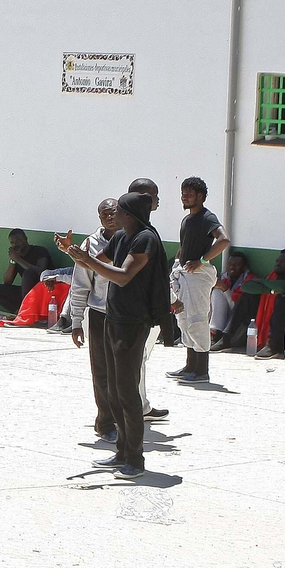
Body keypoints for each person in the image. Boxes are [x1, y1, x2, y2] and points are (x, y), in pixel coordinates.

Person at [58, 191, 171, 480]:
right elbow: (92, 264)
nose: (113, 215)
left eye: (118, 210)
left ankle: (135, 459)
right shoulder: (120, 238)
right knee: (114, 388)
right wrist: (72, 253)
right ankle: (122, 452)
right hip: (113, 318)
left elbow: (122, 275)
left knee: (127, 391)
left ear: (130, 215)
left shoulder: (146, 238)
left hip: (134, 322)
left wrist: (87, 259)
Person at [165, 176, 231, 385]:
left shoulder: (207, 217)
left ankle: (202, 370)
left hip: (198, 277)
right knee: (183, 319)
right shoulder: (187, 219)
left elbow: (224, 239)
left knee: (197, 319)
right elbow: (184, 246)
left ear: (200, 196)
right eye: (183, 193)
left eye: (189, 194)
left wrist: (202, 261)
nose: (184, 197)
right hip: (183, 273)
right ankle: (190, 366)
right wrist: (177, 262)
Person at [67, 200, 120, 443]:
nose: (110, 217)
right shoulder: (90, 244)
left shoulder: (133, 239)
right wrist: (76, 321)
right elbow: (80, 286)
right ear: (99, 217)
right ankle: (105, 421)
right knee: (101, 371)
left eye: (114, 212)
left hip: (126, 315)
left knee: (124, 371)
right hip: (99, 314)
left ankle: (125, 417)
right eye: (105, 214)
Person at [127, 178, 170, 425]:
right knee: (132, 361)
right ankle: (130, 411)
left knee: (141, 359)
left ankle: (141, 405)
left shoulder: (147, 232)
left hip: (148, 310)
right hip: (133, 313)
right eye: (153, 195)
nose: (157, 200)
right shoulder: (136, 235)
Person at [249, 250, 285, 360]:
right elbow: (246, 286)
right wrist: (271, 289)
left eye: (283, 261)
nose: (278, 263)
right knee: (248, 296)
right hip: (271, 318)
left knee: (282, 298)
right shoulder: (272, 277)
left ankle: (273, 346)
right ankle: (227, 337)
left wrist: (263, 283)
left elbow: (284, 287)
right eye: (277, 261)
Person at [0, 229, 51, 314]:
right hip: (26, 292)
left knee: (28, 273)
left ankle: (27, 312)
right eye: (12, 243)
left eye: (18, 241)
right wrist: (13, 261)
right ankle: (20, 312)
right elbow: (7, 281)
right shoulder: (16, 257)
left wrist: (18, 259)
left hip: (44, 290)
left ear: (26, 239)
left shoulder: (40, 251)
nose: (15, 244)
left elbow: (41, 272)